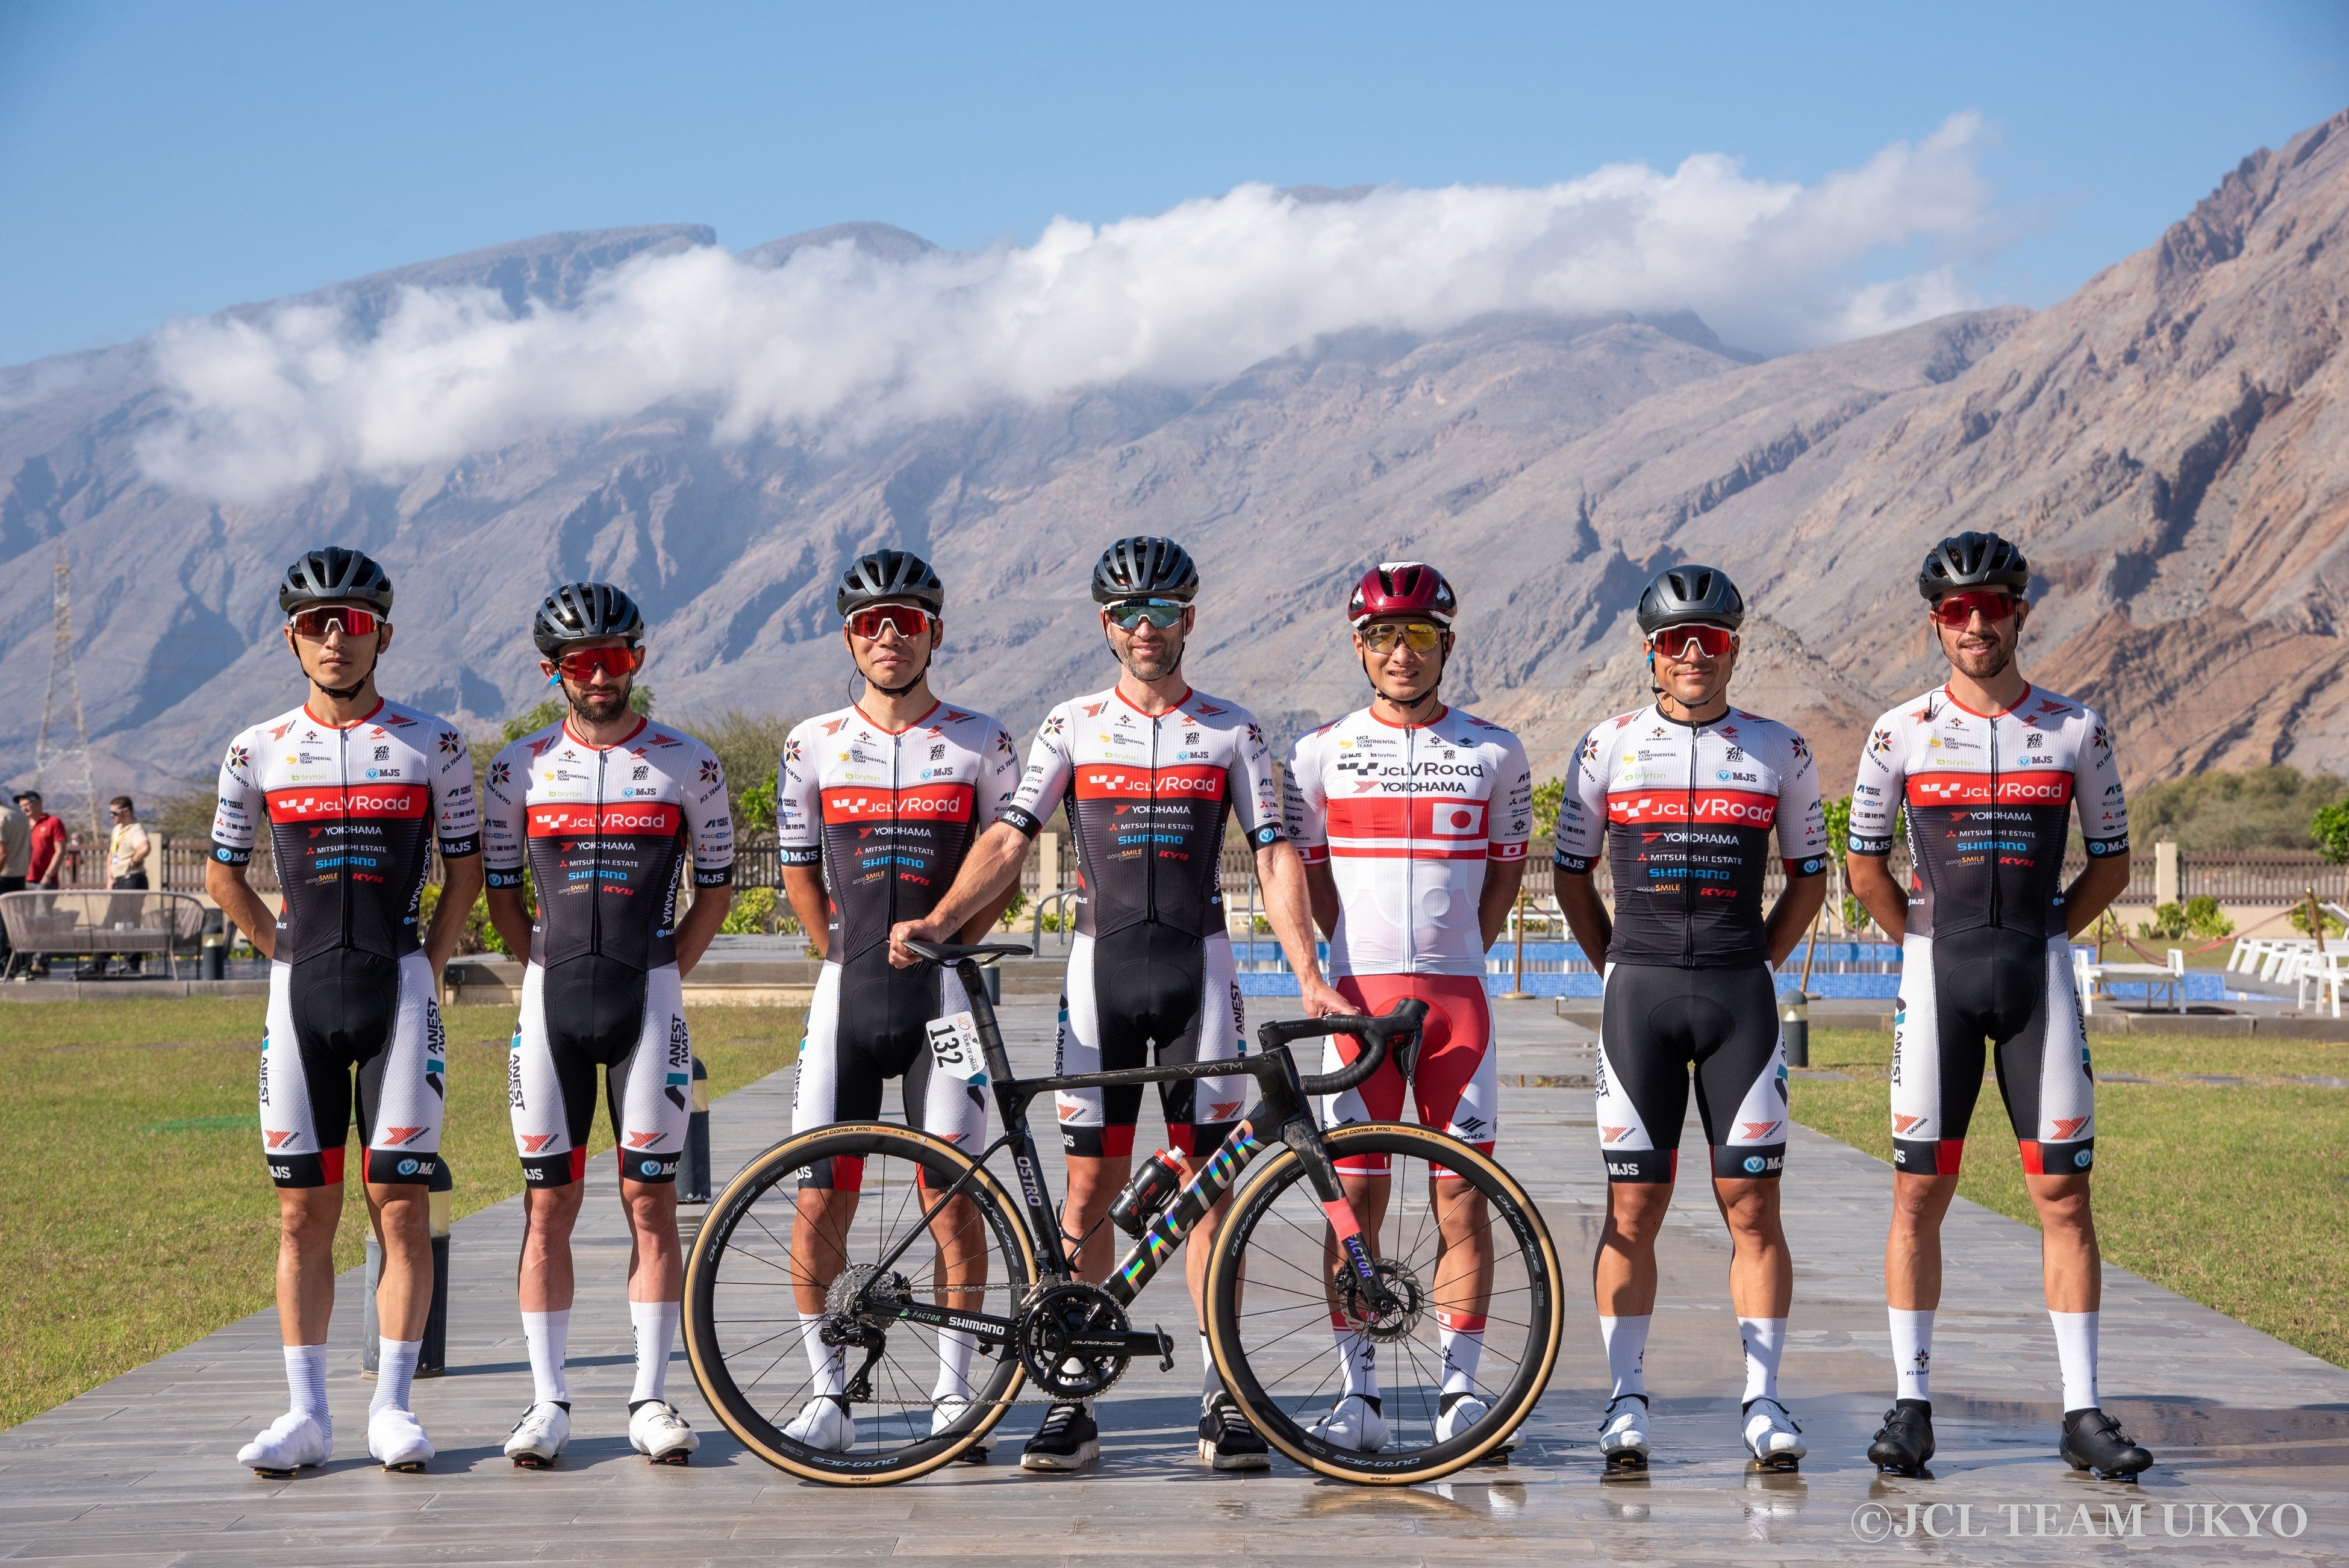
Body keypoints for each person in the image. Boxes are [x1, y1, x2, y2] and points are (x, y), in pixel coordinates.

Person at [890, 534, 1346, 1474]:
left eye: (1163, 611)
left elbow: (1273, 854)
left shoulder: (1232, 729)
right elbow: (1010, 839)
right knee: (1089, 1188)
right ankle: (1073, 1396)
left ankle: (1225, 1397)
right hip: (1097, 982)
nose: (1147, 628)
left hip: (1198, 980)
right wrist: (939, 918)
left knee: (1209, 1192)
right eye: (1129, 614)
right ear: (1107, 626)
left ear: (1189, 619)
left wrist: (1308, 974)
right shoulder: (1073, 725)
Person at [1846, 531, 2152, 1479]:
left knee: (2063, 1195)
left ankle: (2083, 1412)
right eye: (1956, 611)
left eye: (1991, 608)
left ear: (2020, 614)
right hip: (1935, 981)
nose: (1975, 624)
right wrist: (1924, 945)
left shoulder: (2076, 729)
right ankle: (1911, 1407)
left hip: (2037, 983)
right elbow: (1864, 868)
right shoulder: (1898, 732)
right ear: (1936, 625)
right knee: (1917, 1195)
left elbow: (2112, 863)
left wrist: (2046, 932)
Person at [208, 546, 482, 1476]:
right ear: (293, 639)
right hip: (300, 1000)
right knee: (301, 1217)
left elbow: (465, 870)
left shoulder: (434, 743)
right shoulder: (255, 748)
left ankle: (393, 1409)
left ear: (383, 636)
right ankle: (307, 1416)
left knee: (399, 1209)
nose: (336, 638)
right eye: (317, 624)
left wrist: (429, 963)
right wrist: (281, 953)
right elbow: (223, 875)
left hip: (398, 994)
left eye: (354, 621)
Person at [1553, 565, 1829, 1473]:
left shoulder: (1781, 749)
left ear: (1734, 649)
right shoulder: (1606, 746)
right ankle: (1625, 1399)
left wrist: (1759, 959)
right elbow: (1570, 874)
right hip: (1638, 995)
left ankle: (1764, 1400)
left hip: (1738, 998)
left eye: (1710, 638)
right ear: (1652, 653)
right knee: (1632, 1207)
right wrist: (1616, 965)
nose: (1693, 654)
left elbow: (1811, 875)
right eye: (1676, 640)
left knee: (1752, 1205)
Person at [771, 550, 1024, 1460]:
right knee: (819, 1198)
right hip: (846, 995)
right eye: (872, 623)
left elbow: (1005, 863)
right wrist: (835, 952)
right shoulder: (810, 743)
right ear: (850, 638)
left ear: (934, 634)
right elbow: (799, 869)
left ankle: (955, 1394)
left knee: (954, 1195)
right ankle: (829, 1396)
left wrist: (951, 938)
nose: (890, 636)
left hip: (944, 1002)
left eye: (908, 621)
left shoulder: (982, 741)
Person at [481, 581, 734, 1469]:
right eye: (582, 662)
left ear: (639, 659)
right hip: (549, 1005)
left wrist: (664, 973)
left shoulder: (689, 764)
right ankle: (547, 1401)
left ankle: (650, 1398)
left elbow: (716, 890)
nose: (600, 675)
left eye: (616, 657)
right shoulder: (516, 769)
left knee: (650, 1202)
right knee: (547, 1204)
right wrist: (544, 973)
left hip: (649, 1002)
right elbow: (501, 895)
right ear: (552, 671)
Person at [1283, 562, 1533, 1453]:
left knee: (1462, 1199)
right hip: (1358, 1000)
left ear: (1446, 645)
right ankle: (1359, 1394)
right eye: (1384, 636)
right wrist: (1351, 959)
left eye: (1419, 634)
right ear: (1360, 648)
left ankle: (1460, 1393)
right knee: (1353, 1199)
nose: (1402, 652)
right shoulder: (1318, 753)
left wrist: (1460, 953)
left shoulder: (1495, 752)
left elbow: (1504, 875)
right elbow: (1312, 879)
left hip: (1457, 1002)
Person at [89, 795, 153, 977]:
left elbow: (145, 847)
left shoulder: (136, 829)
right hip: (120, 880)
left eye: (114, 813)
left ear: (127, 812)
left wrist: (134, 861)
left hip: (133, 880)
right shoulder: (118, 829)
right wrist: (110, 877)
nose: (111, 816)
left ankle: (131, 964)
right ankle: (100, 963)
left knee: (129, 922)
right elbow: (112, 854)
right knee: (111, 922)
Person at [19, 791, 66, 976]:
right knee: (26, 923)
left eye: (27, 804)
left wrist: (48, 875)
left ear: (38, 803)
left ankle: (41, 961)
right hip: (24, 881)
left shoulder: (53, 822)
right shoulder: (22, 825)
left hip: (44, 882)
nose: (24, 808)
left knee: (42, 922)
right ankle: (26, 961)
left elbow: (60, 850)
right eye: (21, 806)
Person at [0, 791, 28, 973]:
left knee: (2, 924)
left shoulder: (1, 819)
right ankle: (20, 964)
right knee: (17, 921)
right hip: (19, 875)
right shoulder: (20, 816)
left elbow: (2, 853)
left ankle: (2, 963)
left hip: (3, 876)